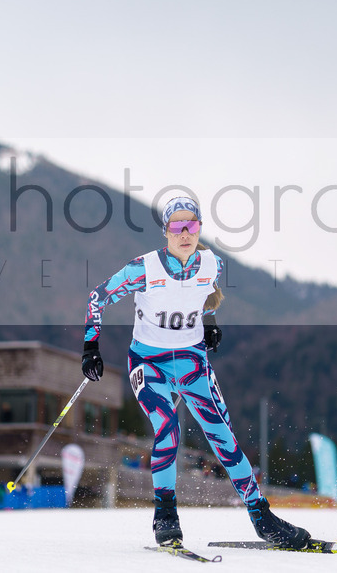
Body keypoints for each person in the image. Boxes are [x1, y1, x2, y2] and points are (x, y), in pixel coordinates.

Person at [82, 196, 311, 549]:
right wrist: (90, 347)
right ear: (166, 232)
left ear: (199, 228)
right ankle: (166, 514)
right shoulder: (144, 268)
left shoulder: (212, 264)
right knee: (168, 431)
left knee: (223, 437)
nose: (185, 232)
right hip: (149, 363)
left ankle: (262, 518)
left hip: (192, 362)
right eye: (177, 225)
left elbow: (205, 295)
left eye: (192, 224)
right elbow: (98, 297)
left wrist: (210, 322)